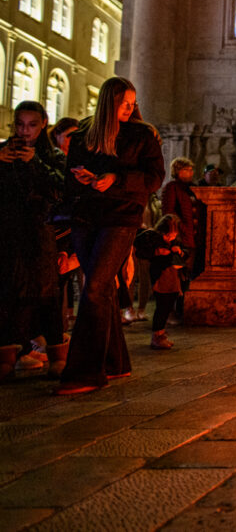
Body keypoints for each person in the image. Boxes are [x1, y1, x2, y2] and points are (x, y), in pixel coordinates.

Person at [58, 78, 165, 395]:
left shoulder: (142, 135)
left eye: (132, 103)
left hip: (121, 217)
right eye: (123, 103)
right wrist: (85, 179)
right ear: (108, 102)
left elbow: (154, 177)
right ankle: (115, 363)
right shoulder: (83, 136)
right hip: (86, 217)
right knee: (100, 290)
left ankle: (84, 371)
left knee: (95, 288)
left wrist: (115, 179)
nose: (129, 108)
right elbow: (69, 179)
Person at [0, 101, 66, 376]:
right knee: (8, 292)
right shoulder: (3, 153)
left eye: (32, 125)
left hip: (41, 231)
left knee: (46, 292)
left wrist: (35, 163)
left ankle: (55, 351)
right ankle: (9, 352)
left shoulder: (52, 156)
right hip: (8, 233)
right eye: (20, 124)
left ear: (43, 125)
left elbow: (61, 186)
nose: (25, 131)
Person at [133, 214, 188, 350]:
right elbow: (145, 254)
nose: (172, 237)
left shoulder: (173, 242)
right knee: (162, 307)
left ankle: (161, 333)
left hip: (172, 279)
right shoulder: (155, 240)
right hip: (161, 278)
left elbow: (184, 254)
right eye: (169, 234)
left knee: (168, 305)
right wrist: (159, 252)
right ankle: (157, 335)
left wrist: (179, 252)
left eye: (174, 234)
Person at [160, 157, 198, 321]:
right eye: (186, 170)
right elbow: (169, 213)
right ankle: (171, 311)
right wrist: (179, 229)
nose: (190, 173)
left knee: (186, 275)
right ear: (178, 171)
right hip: (180, 237)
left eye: (191, 170)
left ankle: (181, 309)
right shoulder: (172, 188)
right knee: (176, 275)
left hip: (192, 238)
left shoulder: (191, 189)